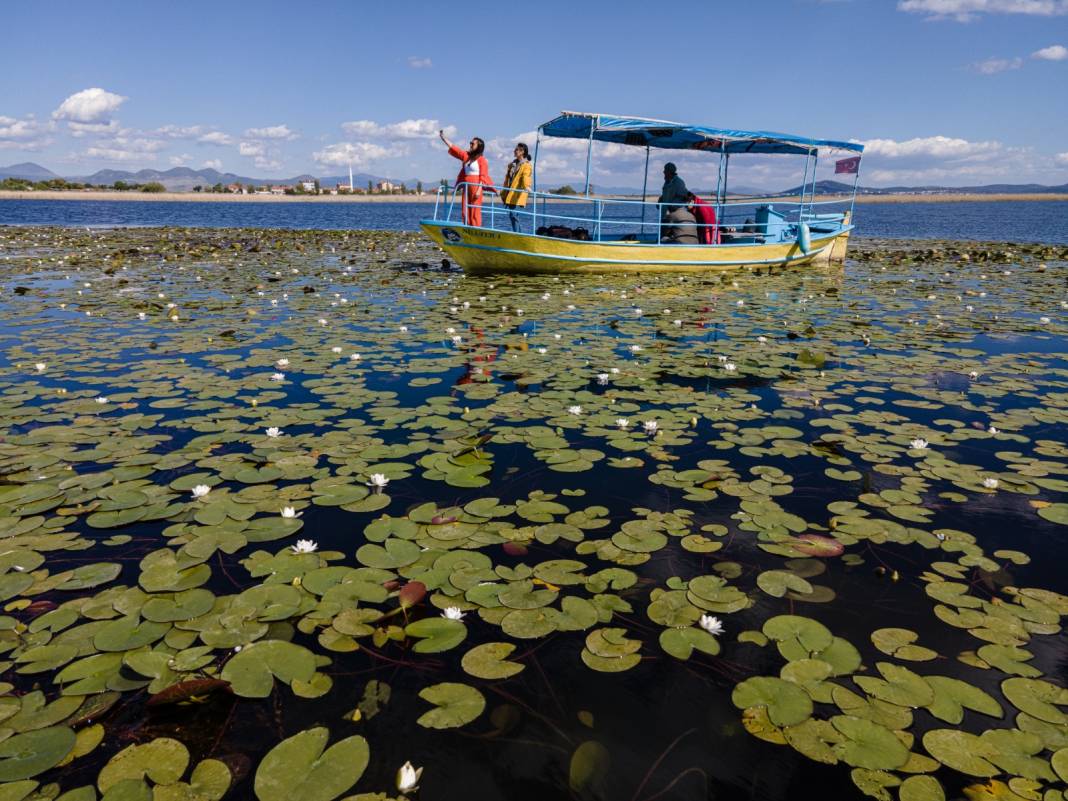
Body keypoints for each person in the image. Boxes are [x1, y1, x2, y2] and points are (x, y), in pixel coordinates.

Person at [439, 130, 493, 226]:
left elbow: (483, 176)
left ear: (479, 147)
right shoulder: (466, 156)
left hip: (476, 187)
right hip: (466, 186)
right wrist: (443, 138)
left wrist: (479, 190)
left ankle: (476, 228)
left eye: (473, 143)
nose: (470, 145)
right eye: (470, 143)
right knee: (465, 209)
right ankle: (466, 227)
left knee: (475, 211)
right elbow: (455, 149)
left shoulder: (482, 160)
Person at [500, 142, 532, 233]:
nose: (514, 151)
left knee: (514, 215)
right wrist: (503, 191)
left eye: (517, 149)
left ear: (522, 152)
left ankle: (518, 234)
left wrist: (527, 187)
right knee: (512, 215)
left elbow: (526, 177)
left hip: (517, 194)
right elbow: (507, 179)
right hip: (509, 193)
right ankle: (518, 234)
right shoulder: (512, 164)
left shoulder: (526, 165)